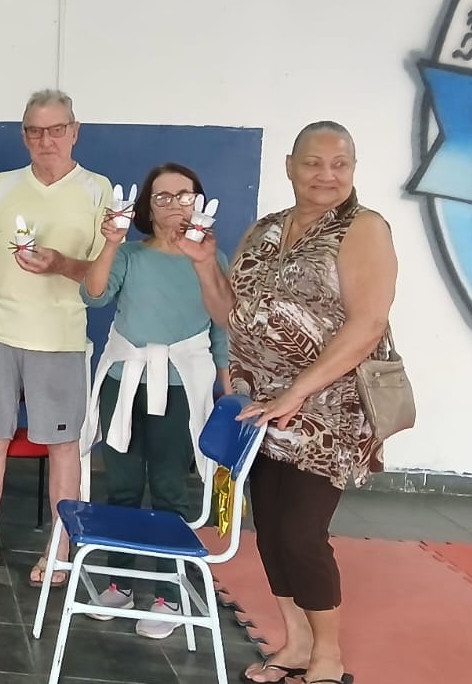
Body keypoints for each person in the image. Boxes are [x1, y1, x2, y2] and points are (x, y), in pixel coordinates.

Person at [185, 122, 394, 684]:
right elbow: (230, 314)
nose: (327, 174)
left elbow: (369, 325)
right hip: (261, 405)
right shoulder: (265, 230)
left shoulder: (364, 228)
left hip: (328, 410)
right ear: (289, 165)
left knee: (302, 533)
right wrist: (206, 264)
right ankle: (295, 642)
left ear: (353, 168)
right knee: (272, 528)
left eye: (340, 163)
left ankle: (328, 654)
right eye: (313, 163)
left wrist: (298, 394)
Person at [0, 89, 110, 585]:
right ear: (24, 135)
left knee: (63, 447)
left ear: (75, 131)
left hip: (60, 340)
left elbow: (100, 279)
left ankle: (60, 548)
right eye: (35, 131)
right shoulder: (0, 187)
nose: (46, 140)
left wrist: (61, 263)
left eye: (56, 129)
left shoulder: (98, 191)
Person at [77, 162, 232, 640]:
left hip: (183, 384)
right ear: (147, 206)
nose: (174, 205)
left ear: (199, 200)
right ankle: (119, 581)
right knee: (121, 486)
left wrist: (226, 382)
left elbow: (222, 324)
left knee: (168, 488)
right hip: (125, 379)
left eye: (184, 195)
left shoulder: (211, 257)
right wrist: (109, 242)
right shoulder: (130, 255)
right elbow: (94, 294)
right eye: (162, 197)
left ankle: (169, 591)